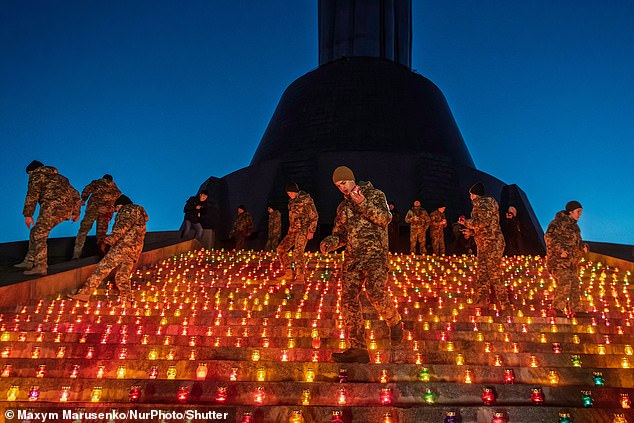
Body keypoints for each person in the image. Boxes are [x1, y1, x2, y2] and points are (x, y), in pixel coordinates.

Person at [320, 166, 403, 363]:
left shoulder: (375, 194)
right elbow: (340, 234)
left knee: (374, 292)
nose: (342, 188)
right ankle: (358, 348)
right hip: (352, 260)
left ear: (351, 180)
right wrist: (329, 243)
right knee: (348, 299)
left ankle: (395, 321)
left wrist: (363, 203)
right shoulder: (343, 208)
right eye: (338, 186)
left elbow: (385, 219)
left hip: (375, 256)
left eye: (344, 183)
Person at [70, 194, 148, 305]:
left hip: (122, 248)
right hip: (133, 251)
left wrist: (107, 242)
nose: (116, 211)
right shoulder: (139, 215)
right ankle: (127, 302)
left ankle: (85, 293)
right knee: (122, 277)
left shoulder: (127, 210)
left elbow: (121, 227)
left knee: (101, 269)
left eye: (116, 208)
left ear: (120, 205)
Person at [15, 160, 81, 276]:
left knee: (39, 234)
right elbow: (75, 194)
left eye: (29, 173)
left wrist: (28, 214)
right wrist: (76, 213)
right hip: (65, 210)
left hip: (52, 208)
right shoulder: (61, 178)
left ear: (32, 171)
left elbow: (32, 194)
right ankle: (29, 261)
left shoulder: (36, 175)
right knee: (36, 231)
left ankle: (41, 266)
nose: (29, 176)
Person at [464, 183, 509, 311]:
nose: (470, 196)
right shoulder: (479, 205)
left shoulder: (484, 204)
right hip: (483, 243)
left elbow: (482, 222)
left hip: (492, 243)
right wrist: (471, 232)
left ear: (474, 194)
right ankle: (482, 299)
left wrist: (466, 222)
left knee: (494, 272)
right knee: (482, 272)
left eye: (471, 194)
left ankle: (504, 303)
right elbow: (484, 227)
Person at [544, 201, 587, 317]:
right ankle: (556, 308)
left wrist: (583, 246)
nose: (580, 215)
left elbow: (578, 241)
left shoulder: (575, 227)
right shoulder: (558, 223)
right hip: (558, 262)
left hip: (571, 263)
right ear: (570, 212)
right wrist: (560, 250)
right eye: (578, 212)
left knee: (574, 283)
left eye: (581, 212)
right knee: (565, 280)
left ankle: (576, 310)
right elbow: (549, 237)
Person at [276, 183, 318, 281]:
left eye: (290, 192)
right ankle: (288, 272)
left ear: (295, 191)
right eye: (288, 193)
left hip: (303, 230)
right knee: (281, 249)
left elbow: (314, 216)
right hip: (292, 231)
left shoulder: (305, 199)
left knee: (298, 252)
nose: (289, 195)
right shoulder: (291, 202)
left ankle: (300, 276)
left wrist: (311, 231)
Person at [72, 174, 121, 259]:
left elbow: (86, 191)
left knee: (83, 231)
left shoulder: (96, 183)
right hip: (106, 213)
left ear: (103, 178)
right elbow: (118, 201)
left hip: (93, 210)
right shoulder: (116, 190)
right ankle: (101, 253)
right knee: (101, 235)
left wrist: (84, 199)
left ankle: (76, 254)